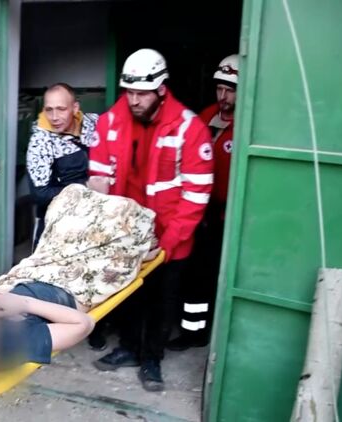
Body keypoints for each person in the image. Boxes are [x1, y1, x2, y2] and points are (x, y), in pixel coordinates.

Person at [0, 184, 159, 385]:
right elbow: (83, 324)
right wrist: (24, 304)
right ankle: (137, 251)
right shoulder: (13, 343)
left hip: (38, 271)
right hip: (71, 286)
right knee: (123, 216)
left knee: (71, 196)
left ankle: (100, 208)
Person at [87, 49, 214, 392]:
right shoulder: (109, 123)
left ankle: (152, 359)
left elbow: (196, 196)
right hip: (126, 235)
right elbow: (99, 177)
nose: (134, 100)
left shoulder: (190, 128)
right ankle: (129, 349)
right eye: (129, 92)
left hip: (170, 237)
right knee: (128, 296)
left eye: (142, 94)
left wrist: (167, 243)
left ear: (161, 89)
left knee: (161, 301)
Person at [168, 54, 238, 351]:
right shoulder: (207, 115)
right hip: (200, 210)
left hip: (229, 214)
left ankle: (217, 334)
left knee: (218, 276)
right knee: (195, 274)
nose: (223, 96)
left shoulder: (248, 124)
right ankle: (192, 333)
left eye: (229, 90)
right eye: (219, 89)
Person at [26, 83, 99, 250]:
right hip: (57, 225)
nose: (54, 117)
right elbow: (40, 194)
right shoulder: (40, 141)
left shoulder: (94, 123)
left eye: (61, 109)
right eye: (49, 110)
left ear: (75, 108)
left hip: (94, 219)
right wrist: (86, 187)